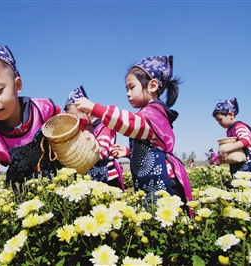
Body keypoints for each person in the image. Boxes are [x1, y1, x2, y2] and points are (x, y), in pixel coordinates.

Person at [0, 46, 98, 235]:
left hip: (63, 188)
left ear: (18, 85)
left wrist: (85, 129)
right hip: (24, 199)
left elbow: (67, 125)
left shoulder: (43, 109)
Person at [75, 55, 192, 207]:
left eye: (132, 87)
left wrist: (95, 109)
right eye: (126, 89)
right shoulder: (148, 112)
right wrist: (130, 152)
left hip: (165, 182)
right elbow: (152, 147)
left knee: (167, 220)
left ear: (152, 85)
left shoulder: (155, 113)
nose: (128, 93)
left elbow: (130, 123)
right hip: (152, 182)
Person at [64, 86, 124, 190]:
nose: (74, 121)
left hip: (108, 179)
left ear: (87, 113)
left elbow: (101, 153)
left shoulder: (104, 127)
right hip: (92, 178)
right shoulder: (84, 130)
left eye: (75, 117)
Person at [212, 97, 251, 190]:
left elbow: (246, 140)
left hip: (249, 162)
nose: (219, 123)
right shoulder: (230, 129)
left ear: (230, 114)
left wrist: (226, 149)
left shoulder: (239, 126)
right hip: (239, 163)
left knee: (250, 186)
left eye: (220, 119)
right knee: (239, 186)